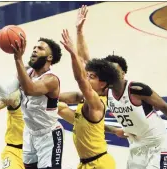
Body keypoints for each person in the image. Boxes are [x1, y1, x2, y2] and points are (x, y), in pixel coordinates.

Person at [74, 5, 167, 169]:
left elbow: (164, 106)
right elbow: (85, 61)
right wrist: (79, 31)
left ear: (123, 73)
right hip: (136, 146)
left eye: (116, 70)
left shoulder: (136, 89)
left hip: (156, 144)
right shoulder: (106, 90)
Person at [0, 37, 63, 169]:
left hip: (48, 135)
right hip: (29, 134)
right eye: (34, 47)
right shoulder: (26, 70)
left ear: (49, 57)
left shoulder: (51, 79)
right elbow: (6, 92)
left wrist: (18, 59)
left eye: (40, 48)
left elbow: (29, 89)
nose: (34, 50)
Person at [60, 28, 117, 169]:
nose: (87, 77)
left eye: (91, 77)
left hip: (99, 165)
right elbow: (85, 61)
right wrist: (79, 32)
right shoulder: (87, 98)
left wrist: (73, 54)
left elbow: (80, 79)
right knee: (58, 106)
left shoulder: (97, 103)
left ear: (103, 84)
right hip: (86, 163)